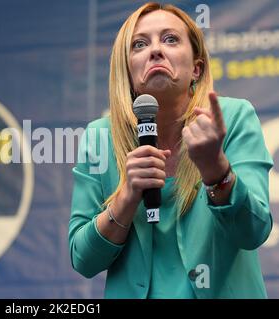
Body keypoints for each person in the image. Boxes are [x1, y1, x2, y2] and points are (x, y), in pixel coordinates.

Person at [68, 2, 274, 299]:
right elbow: (83, 259)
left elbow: (253, 231)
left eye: (170, 39)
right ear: (127, 72)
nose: (155, 50)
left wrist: (217, 170)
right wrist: (126, 197)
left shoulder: (232, 118)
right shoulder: (100, 137)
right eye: (139, 44)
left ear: (196, 68)